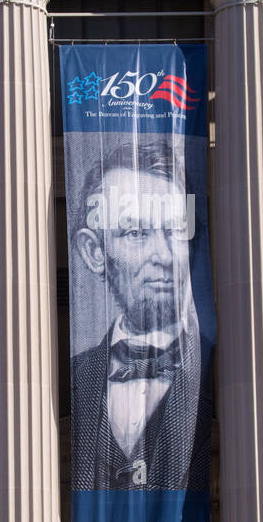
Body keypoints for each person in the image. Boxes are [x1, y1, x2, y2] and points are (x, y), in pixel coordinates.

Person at [69, 140, 212, 493]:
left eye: (176, 232)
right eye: (136, 233)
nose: (163, 256)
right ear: (94, 252)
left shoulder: (225, 372)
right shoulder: (72, 377)